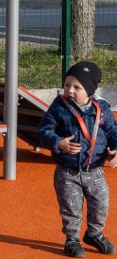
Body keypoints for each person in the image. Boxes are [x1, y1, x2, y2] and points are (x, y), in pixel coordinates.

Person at [38, 61, 117, 257]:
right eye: (66, 85)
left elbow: (113, 132)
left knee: (101, 205)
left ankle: (94, 233)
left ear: (89, 90)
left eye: (76, 87)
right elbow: (44, 131)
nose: (69, 90)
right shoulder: (59, 107)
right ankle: (71, 239)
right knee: (71, 209)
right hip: (67, 171)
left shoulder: (102, 109)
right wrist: (58, 142)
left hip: (95, 171)